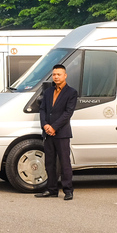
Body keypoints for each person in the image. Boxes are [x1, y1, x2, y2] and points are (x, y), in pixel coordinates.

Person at [35, 64, 78, 200]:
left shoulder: (71, 92)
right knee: (49, 163)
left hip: (62, 133)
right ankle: (52, 189)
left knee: (65, 162)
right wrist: (45, 126)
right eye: (54, 74)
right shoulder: (47, 92)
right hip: (48, 133)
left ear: (65, 75)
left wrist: (54, 127)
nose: (56, 77)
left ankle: (68, 190)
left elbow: (68, 113)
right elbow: (42, 110)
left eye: (59, 74)